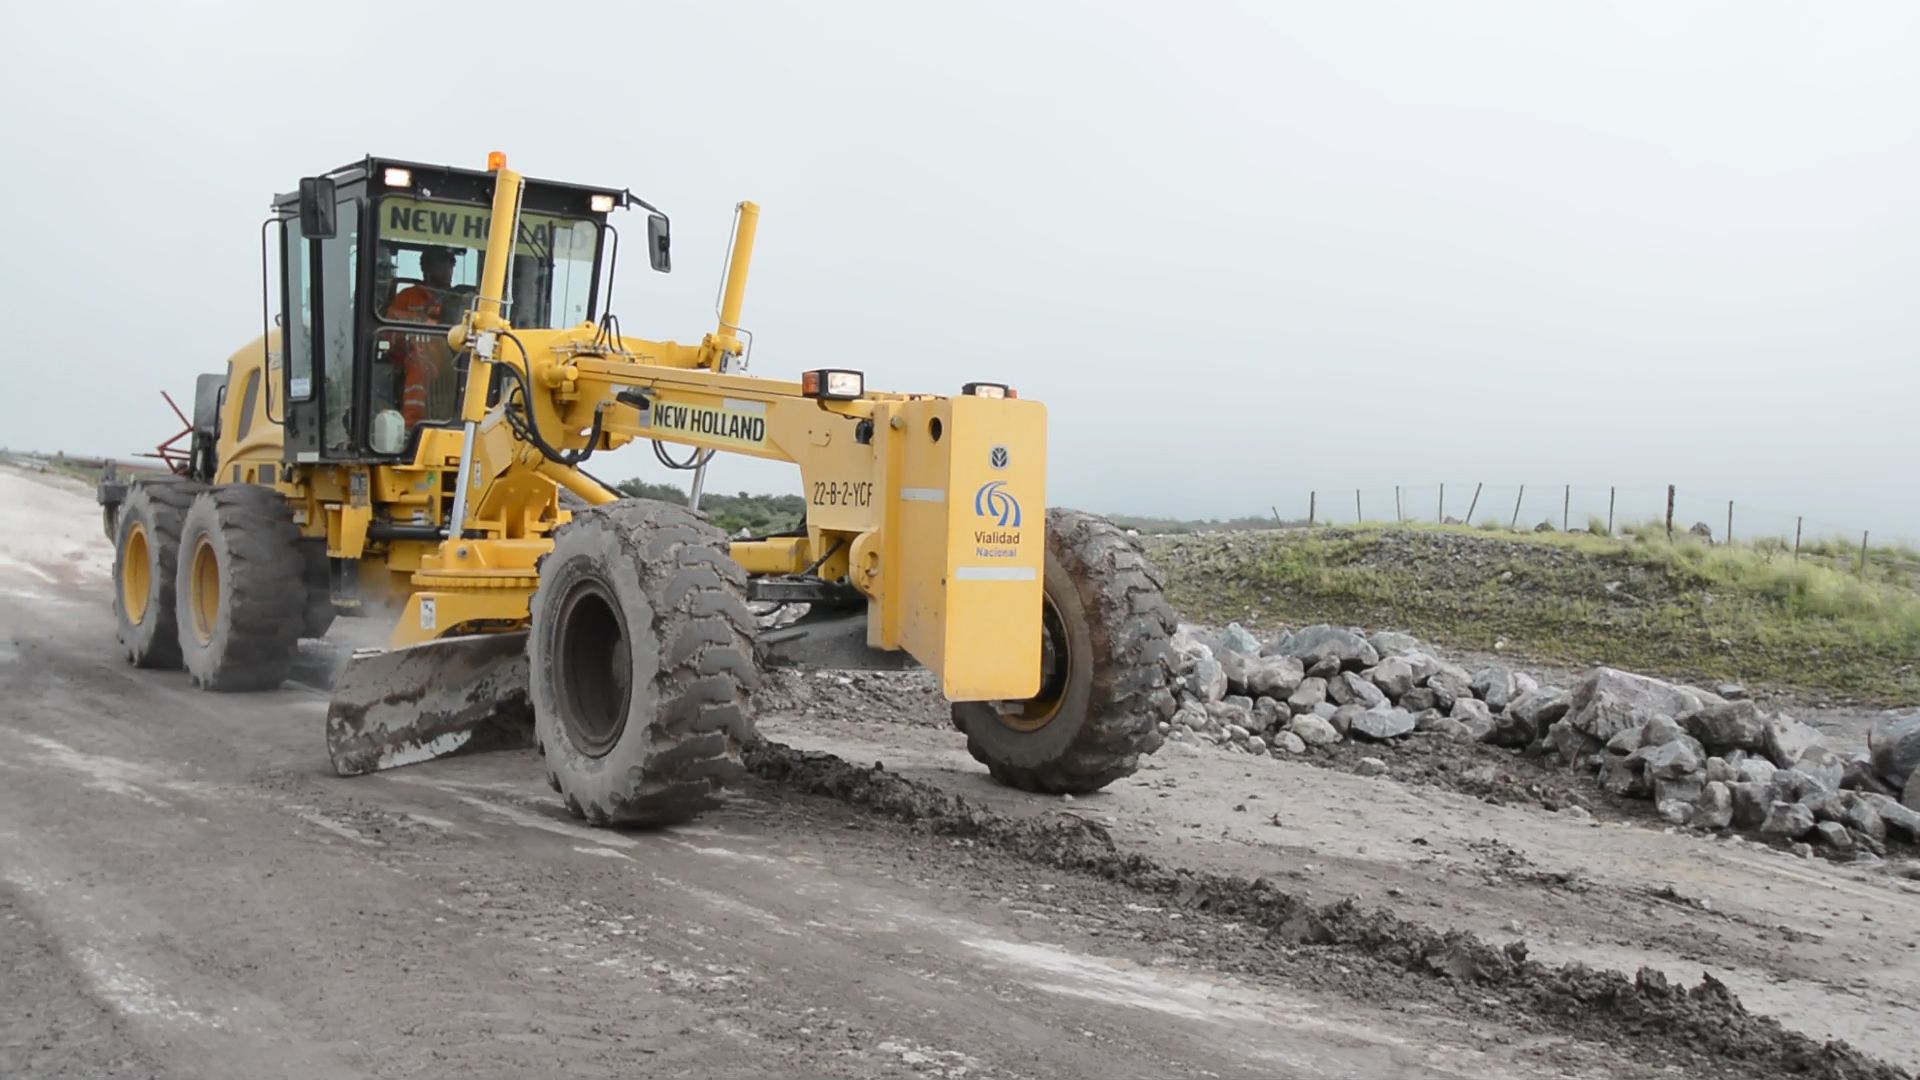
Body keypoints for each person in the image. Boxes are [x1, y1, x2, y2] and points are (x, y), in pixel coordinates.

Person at [385, 246, 462, 427]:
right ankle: (412, 426)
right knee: (419, 366)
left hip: (455, 356)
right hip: (413, 356)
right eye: (441, 265)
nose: (447, 271)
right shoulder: (407, 298)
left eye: (450, 266)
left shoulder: (460, 300)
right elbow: (389, 330)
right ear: (426, 268)